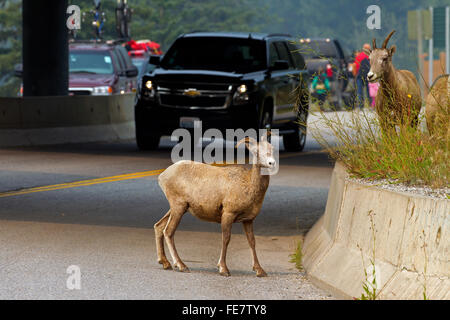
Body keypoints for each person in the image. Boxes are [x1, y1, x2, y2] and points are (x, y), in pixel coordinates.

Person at [354, 43, 372, 109]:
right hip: (369, 76)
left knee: (360, 91)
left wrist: (355, 75)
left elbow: (355, 66)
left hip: (359, 76)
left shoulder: (359, 56)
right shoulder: (371, 56)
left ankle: (361, 106)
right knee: (369, 91)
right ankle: (371, 104)